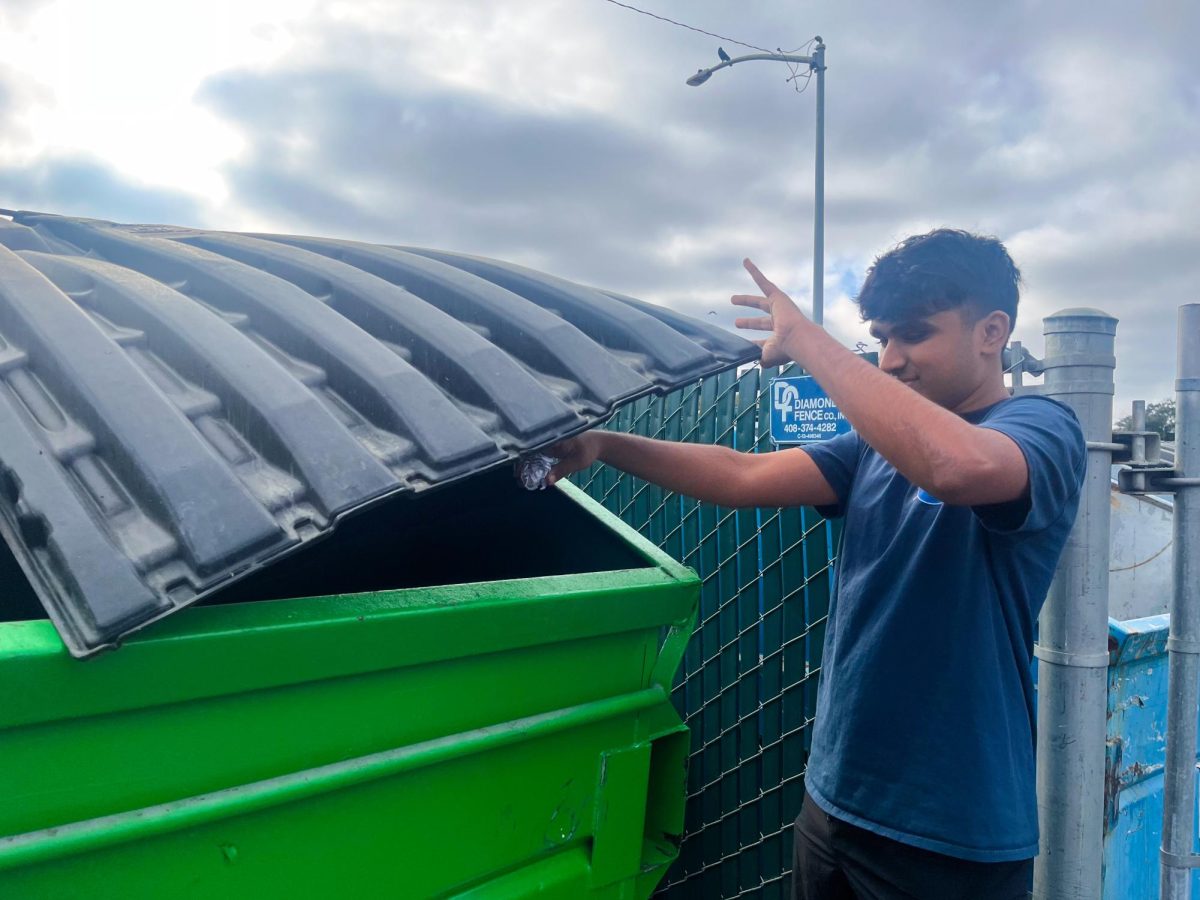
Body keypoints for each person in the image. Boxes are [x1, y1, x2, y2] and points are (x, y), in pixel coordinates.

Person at [545, 229, 1086, 900]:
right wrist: (604, 443)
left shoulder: (1041, 428)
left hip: (952, 829)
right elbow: (743, 475)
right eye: (882, 338)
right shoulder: (874, 448)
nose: (892, 360)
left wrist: (805, 339)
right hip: (835, 803)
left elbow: (956, 466)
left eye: (914, 335)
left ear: (991, 331)